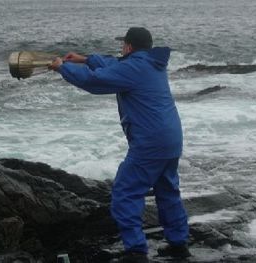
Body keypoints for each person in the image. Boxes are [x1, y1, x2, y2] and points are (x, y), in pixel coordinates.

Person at [49, 27, 191, 263]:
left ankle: (136, 252)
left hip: (150, 142)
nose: (121, 48)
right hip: (171, 139)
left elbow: (96, 81)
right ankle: (178, 245)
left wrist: (63, 67)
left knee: (125, 193)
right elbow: (112, 65)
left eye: (123, 44)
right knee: (167, 191)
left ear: (129, 46)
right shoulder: (151, 64)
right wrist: (85, 59)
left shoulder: (134, 67)